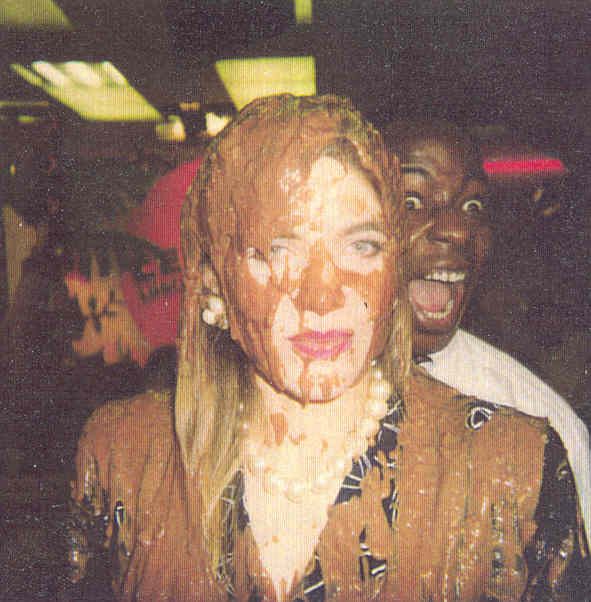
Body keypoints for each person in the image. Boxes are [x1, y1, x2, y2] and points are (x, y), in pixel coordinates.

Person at [65, 95, 588, 601]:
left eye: (361, 246)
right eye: (280, 248)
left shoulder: (514, 469)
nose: (322, 297)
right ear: (213, 280)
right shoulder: (123, 456)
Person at [383, 120, 591, 545]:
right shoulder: (270, 400)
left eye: (473, 206)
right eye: (410, 200)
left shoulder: (538, 425)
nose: (458, 229)